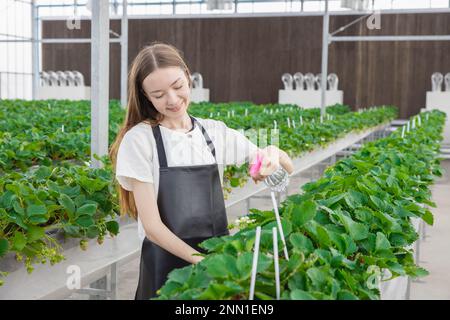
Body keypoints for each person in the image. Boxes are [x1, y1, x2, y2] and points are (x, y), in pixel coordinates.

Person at [109, 42, 294, 300]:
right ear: (145, 96)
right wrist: (203, 262)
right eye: (159, 94)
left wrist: (272, 154)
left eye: (177, 86)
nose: (172, 100)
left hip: (215, 256)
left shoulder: (213, 132)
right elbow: (152, 228)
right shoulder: (140, 140)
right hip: (165, 265)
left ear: (188, 76)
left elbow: (284, 163)